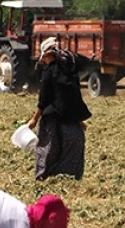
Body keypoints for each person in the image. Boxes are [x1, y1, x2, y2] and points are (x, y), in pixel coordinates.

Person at [28, 37, 92, 180]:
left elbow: (44, 99)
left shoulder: (48, 72)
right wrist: (78, 119)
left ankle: (45, 177)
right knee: (73, 146)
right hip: (71, 118)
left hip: (54, 118)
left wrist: (34, 119)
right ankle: (69, 178)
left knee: (48, 148)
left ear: (45, 56)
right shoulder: (69, 70)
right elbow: (74, 95)